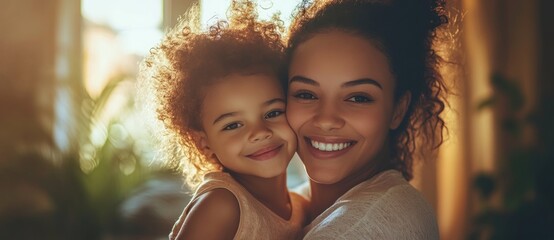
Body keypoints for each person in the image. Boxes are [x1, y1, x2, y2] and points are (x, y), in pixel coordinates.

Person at [138, 1, 306, 239]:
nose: (259, 132)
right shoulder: (221, 206)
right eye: (233, 125)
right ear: (203, 144)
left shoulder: (299, 205)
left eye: (272, 113)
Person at [284, 0, 449, 239]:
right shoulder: (294, 205)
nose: (326, 120)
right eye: (306, 94)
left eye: (358, 98)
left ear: (397, 110)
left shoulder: (366, 227)